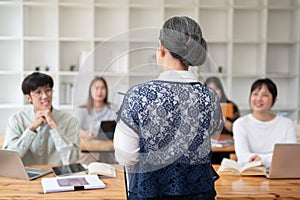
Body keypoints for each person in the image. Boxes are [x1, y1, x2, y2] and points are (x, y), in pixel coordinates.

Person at [114, 16, 223, 199]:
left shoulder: (137, 96)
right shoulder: (210, 97)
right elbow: (210, 136)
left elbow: (127, 157)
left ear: (161, 48)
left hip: (151, 194)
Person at [2, 72, 80, 165]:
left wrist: (54, 127)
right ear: (28, 98)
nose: (45, 96)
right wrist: (31, 129)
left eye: (47, 90)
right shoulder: (17, 119)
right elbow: (8, 160)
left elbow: (72, 160)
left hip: (57, 176)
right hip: (26, 177)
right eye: (38, 92)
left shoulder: (69, 120)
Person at [233, 78, 297, 168]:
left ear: (274, 100)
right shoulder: (240, 124)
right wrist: (272, 158)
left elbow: (291, 156)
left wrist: (261, 160)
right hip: (250, 175)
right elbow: (243, 157)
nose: (259, 99)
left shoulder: (287, 124)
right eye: (255, 94)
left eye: (265, 95)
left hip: (280, 174)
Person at [75, 76, 116, 164]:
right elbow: (75, 129)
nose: (99, 91)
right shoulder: (81, 110)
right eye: (96, 88)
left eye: (102, 88)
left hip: (107, 153)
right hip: (88, 154)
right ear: (90, 90)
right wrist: (86, 133)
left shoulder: (112, 110)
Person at [205, 76, 240, 164]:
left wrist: (224, 120)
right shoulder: (202, 107)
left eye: (216, 89)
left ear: (221, 90)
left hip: (227, 148)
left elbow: (238, 130)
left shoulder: (231, 106)